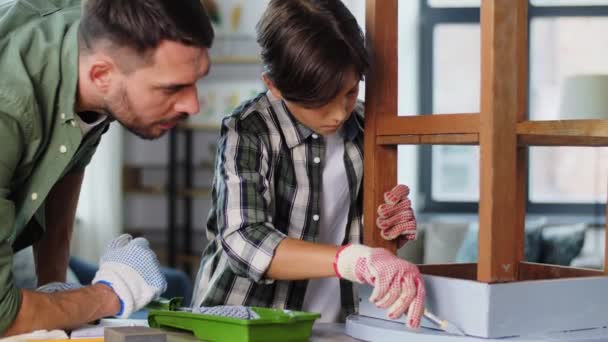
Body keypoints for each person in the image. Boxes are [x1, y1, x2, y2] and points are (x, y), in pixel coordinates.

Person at [192, 0, 425, 329]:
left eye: (348, 91)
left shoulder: (366, 127)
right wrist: (350, 259)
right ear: (273, 86)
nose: (338, 114)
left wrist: (389, 231)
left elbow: (365, 242)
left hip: (334, 325)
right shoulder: (248, 129)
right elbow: (244, 239)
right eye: (318, 102)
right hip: (244, 324)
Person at [0, 0, 214, 336]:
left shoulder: (99, 46)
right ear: (101, 75)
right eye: (171, 88)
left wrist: (55, 289)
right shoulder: (8, 107)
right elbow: (3, 314)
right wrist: (112, 293)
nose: (193, 105)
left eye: (196, 81)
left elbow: (68, 161)